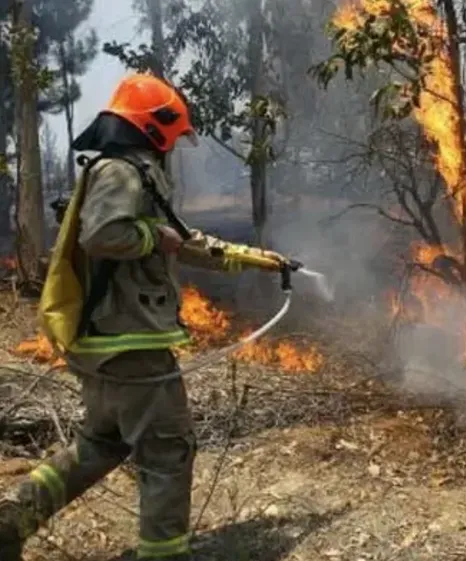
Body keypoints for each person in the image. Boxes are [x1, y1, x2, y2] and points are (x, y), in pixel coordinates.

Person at [0, 73, 284, 561]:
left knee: (100, 444)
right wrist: (158, 239)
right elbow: (106, 235)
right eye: (173, 135)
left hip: (107, 344)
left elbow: (174, 237)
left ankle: (14, 519)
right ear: (155, 127)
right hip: (131, 345)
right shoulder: (122, 172)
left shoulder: (127, 169)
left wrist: (254, 257)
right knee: (167, 454)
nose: (174, 145)